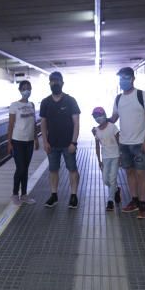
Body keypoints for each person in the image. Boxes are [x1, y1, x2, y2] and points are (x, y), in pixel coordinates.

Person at [109, 66, 145, 219]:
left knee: (141, 173)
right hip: (124, 143)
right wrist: (101, 122)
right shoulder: (118, 99)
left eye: (125, 78)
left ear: (133, 79)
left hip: (139, 143)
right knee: (129, 172)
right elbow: (114, 118)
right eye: (120, 78)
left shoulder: (143, 96)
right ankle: (134, 200)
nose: (123, 81)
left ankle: (143, 204)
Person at [39, 70, 81, 208]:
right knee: (53, 170)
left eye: (57, 81)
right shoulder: (45, 102)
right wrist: (45, 141)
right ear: (49, 83)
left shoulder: (70, 100)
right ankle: (54, 195)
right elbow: (43, 123)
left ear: (62, 83)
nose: (55, 84)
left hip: (68, 144)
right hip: (52, 144)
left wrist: (74, 142)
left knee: (72, 169)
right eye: (52, 81)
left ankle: (73, 196)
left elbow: (76, 123)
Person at [6, 80, 39, 205]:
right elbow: (10, 125)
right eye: (24, 88)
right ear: (20, 90)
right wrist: (9, 143)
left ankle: (24, 195)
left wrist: (36, 139)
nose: (27, 90)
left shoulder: (32, 104)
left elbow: (34, 123)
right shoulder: (14, 105)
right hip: (17, 141)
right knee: (20, 168)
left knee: (25, 168)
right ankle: (15, 194)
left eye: (28, 88)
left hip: (29, 141)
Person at [91, 106, 122, 211]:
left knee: (112, 178)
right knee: (105, 180)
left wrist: (121, 155)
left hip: (115, 156)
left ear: (104, 114)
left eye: (99, 115)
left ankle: (110, 201)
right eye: (95, 116)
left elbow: (119, 141)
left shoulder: (113, 127)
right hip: (105, 158)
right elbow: (97, 146)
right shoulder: (96, 131)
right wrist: (99, 160)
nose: (97, 118)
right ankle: (116, 189)